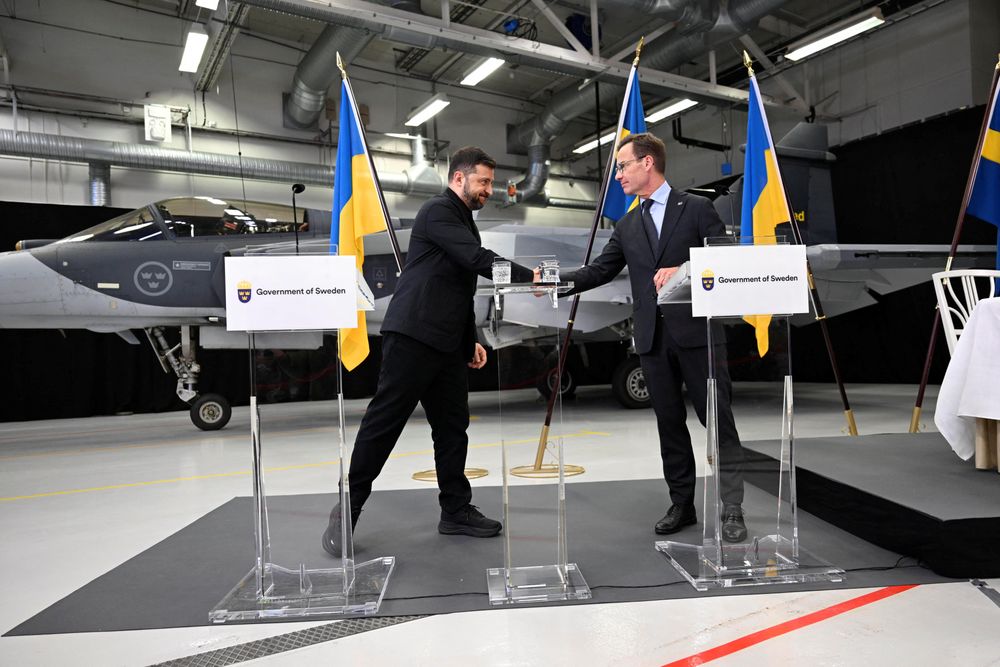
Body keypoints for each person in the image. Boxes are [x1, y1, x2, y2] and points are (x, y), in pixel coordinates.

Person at [322, 146, 535, 556]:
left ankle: (455, 510)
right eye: (484, 182)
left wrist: (469, 337)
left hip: (447, 343)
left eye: (490, 183)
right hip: (415, 337)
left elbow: (455, 285)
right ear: (459, 178)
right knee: (384, 425)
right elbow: (476, 260)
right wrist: (534, 276)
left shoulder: (462, 221)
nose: (489, 190)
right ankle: (347, 509)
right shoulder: (438, 211)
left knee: (453, 428)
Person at [560, 132, 748, 543]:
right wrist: (552, 282)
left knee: (719, 423)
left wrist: (684, 268)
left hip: (699, 335)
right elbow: (600, 271)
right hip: (653, 340)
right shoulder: (628, 224)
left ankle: (732, 507)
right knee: (669, 424)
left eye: (623, 166)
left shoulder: (697, 208)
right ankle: (682, 503)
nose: (618, 175)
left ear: (648, 163)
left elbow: (726, 259)